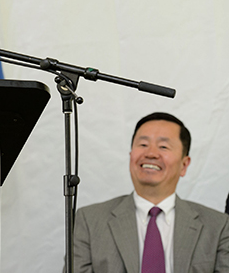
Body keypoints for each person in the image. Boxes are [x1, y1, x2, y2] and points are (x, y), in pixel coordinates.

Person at [73, 112, 229, 273]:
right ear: (130, 156)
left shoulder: (218, 226)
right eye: (143, 145)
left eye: (163, 147)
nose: (151, 153)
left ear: (184, 165)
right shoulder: (89, 221)